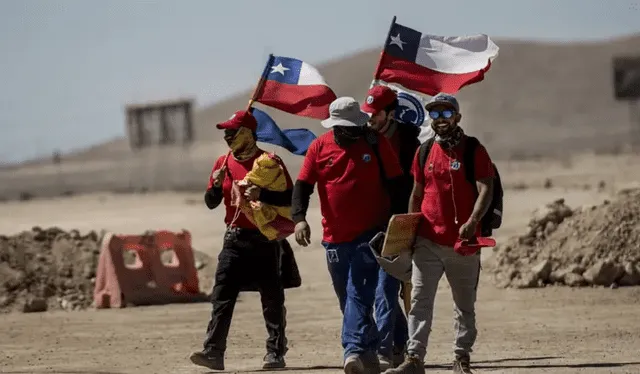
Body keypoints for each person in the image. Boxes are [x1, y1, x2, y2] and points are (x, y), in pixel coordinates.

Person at [291, 96, 406, 374]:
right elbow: (303, 185)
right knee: (348, 297)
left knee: (359, 293)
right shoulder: (319, 147)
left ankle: (354, 350)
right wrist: (299, 219)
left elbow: (398, 185)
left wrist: (398, 226)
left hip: (372, 234)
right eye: (345, 128)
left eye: (354, 127)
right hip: (334, 238)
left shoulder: (376, 143)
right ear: (335, 127)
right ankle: (391, 345)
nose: (351, 132)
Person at [387, 94, 495, 374]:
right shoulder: (424, 151)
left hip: (463, 244)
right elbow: (417, 192)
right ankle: (414, 359)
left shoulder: (473, 150)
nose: (440, 119)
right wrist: (409, 231)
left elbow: (486, 188)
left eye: (446, 113)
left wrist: (473, 220)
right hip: (427, 242)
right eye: (434, 115)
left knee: (464, 305)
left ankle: (461, 357)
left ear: (457, 117)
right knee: (420, 302)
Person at [190, 110, 292, 371]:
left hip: (264, 240)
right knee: (221, 296)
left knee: (272, 299)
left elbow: (290, 201)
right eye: (225, 132)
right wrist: (215, 186)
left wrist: (263, 194)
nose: (227, 136)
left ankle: (275, 353)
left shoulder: (269, 163)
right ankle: (213, 352)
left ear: (247, 133)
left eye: (232, 131)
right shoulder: (222, 163)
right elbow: (211, 203)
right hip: (234, 239)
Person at [361, 85, 420, 370]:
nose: (370, 117)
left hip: (399, 223)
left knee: (388, 288)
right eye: (368, 112)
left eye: (375, 112)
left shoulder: (410, 143)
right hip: (368, 222)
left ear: (391, 114)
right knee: (377, 290)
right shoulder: (361, 139)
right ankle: (403, 344)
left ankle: (384, 351)